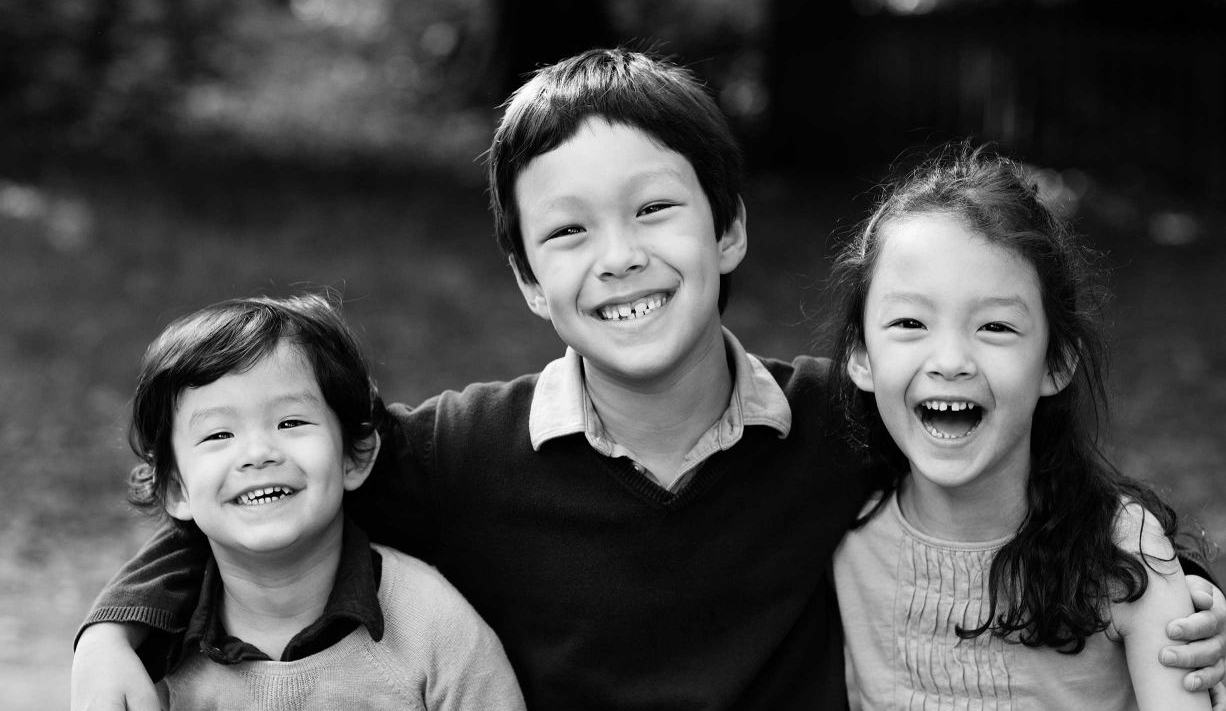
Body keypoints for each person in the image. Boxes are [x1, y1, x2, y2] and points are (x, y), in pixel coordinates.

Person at [72, 50, 1226, 711]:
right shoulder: (465, 452)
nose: (618, 254)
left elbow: (1031, 465)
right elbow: (267, 481)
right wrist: (112, 628)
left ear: (726, 231)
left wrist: (1180, 587)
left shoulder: (846, 418)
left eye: (656, 208)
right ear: (527, 280)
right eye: (566, 232)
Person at [828, 145, 1216, 709]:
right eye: (910, 321)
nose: (951, 359)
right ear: (861, 356)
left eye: (995, 326)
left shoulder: (1122, 556)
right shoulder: (839, 527)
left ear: (1055, 363)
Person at [122, 294, 525, 709]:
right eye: (219, 435)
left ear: (356, 456)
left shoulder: (434, 628)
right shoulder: (149, 658)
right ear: (175, 490)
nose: (258, 452)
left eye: (290, 421)